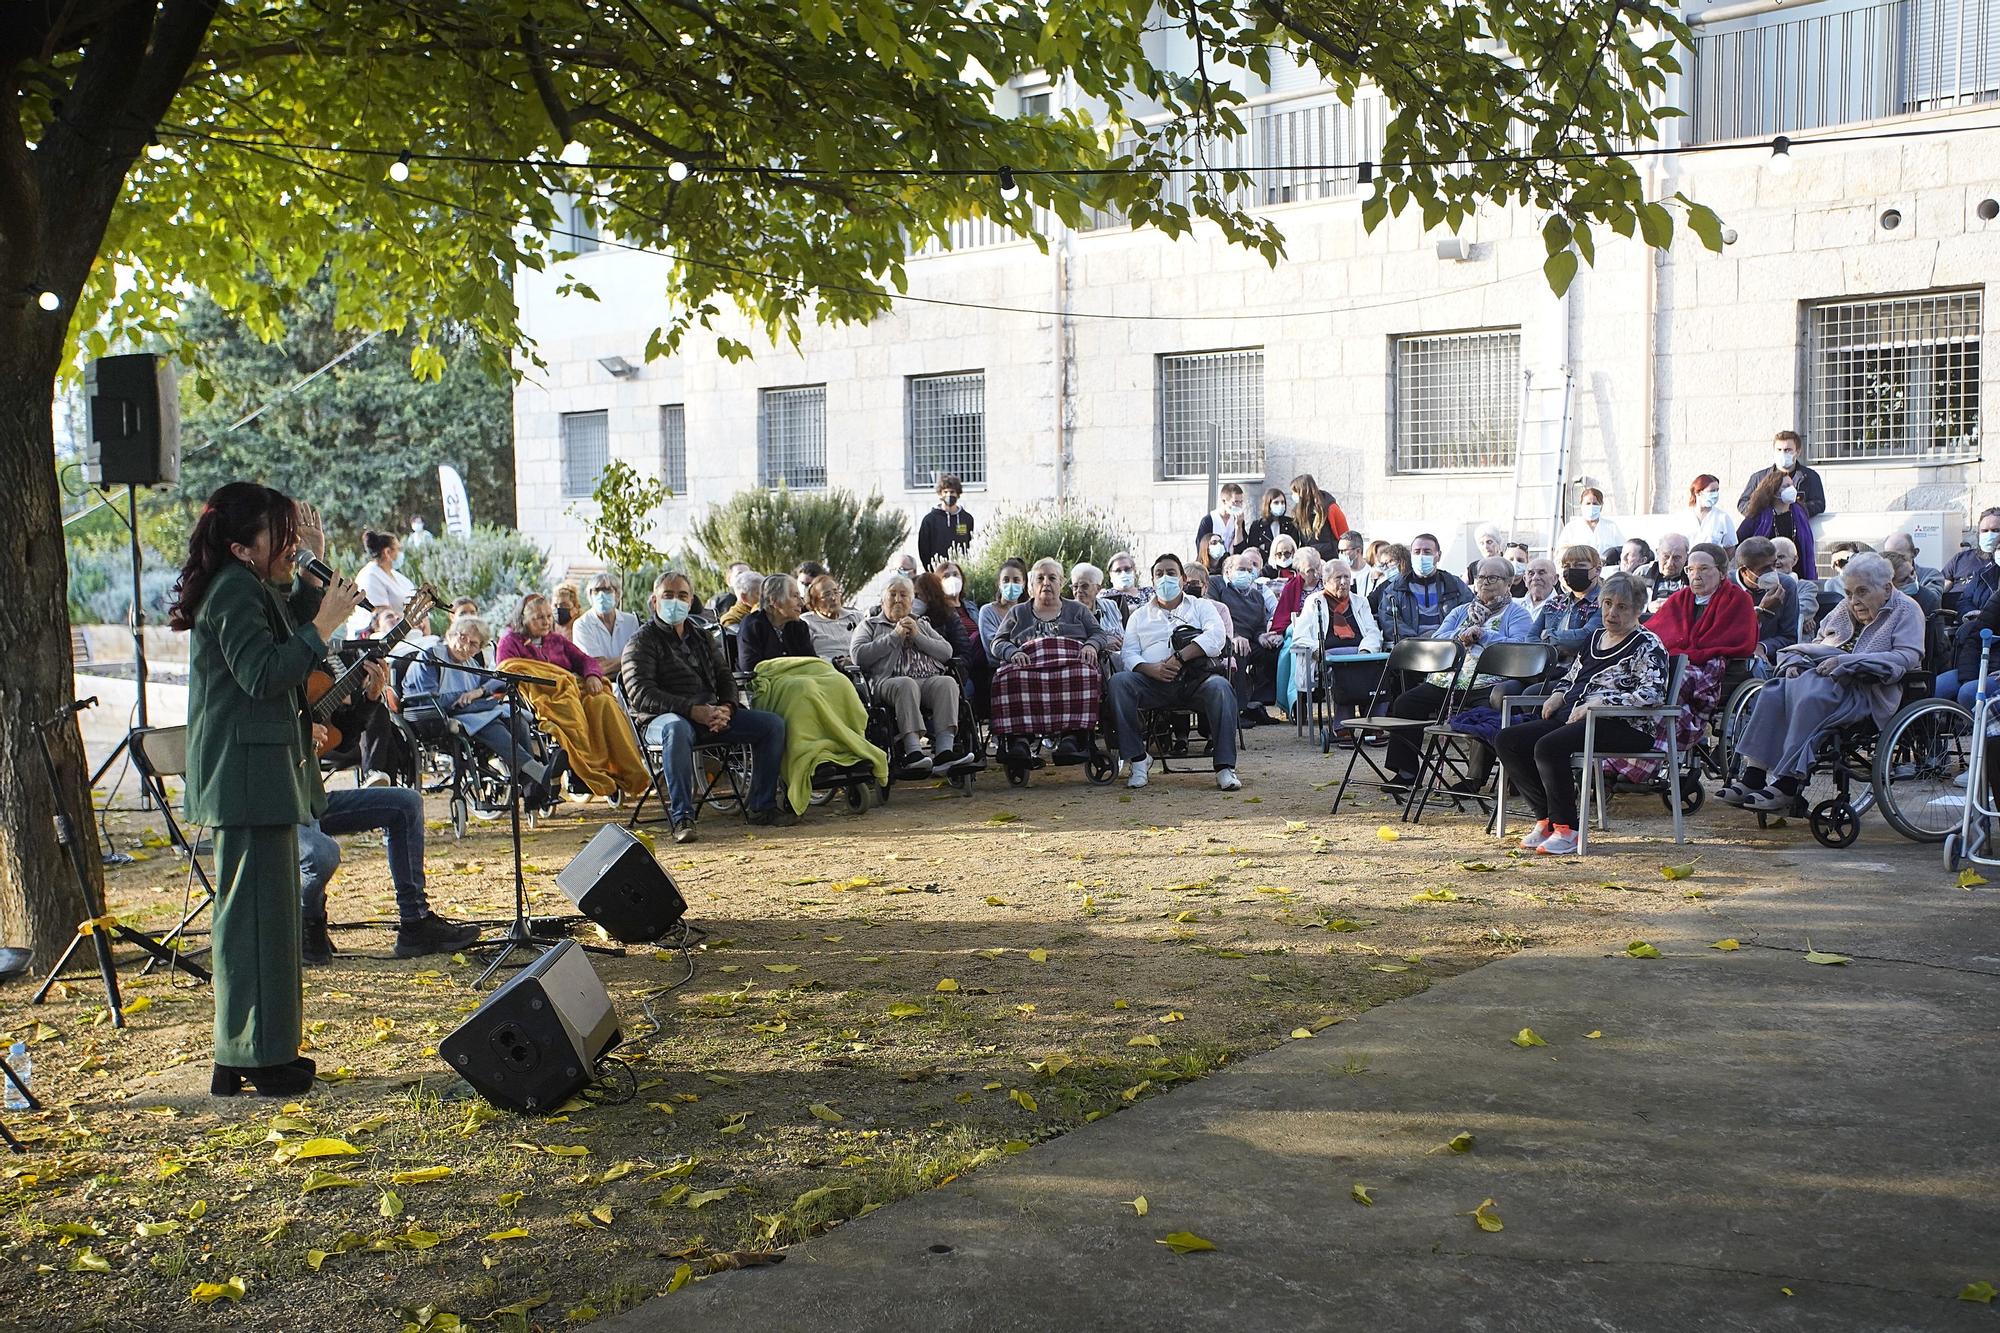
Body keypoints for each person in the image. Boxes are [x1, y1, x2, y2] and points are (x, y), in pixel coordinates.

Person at [172, 483, 360, 1097]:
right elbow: (262, 674)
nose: (290, 543)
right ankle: (247, 1054)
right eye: (278, 533)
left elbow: (289, 620)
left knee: (269, 921)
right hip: (244, 777)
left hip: (262, 774)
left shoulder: (250, 586)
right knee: (252, 922)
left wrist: (315, 575)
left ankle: (260, 1051)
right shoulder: (230, 592)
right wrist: (323, 627)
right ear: (240, 546)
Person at [297, 655, 481, 964]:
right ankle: (306, 925)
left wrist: (370, 697)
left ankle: (415, 924)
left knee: (405, 804)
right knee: (320, 851)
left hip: (312, 798)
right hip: (277, 806)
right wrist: (296, 731)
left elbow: (341, 740)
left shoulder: (316, 663)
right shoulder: (274, 667)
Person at [1721, 553, 1923, 813]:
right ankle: (1754, 775)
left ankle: (1788, 784)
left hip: (1864, 689)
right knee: (1772, 692)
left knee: (1812, 697)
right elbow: (1817, 644)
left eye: (1862, 592)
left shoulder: (1906, 610)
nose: (1854, 601)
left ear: (1886, 588)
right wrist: (1794, 660)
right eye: (1849, 593)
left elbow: (1906, 656)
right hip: (1819, 678)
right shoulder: (1844, 608)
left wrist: (1848, 662)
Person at [1498, 573, 1670, 855]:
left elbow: (1652, 694)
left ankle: (1568, 829)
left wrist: (1599, 703)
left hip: (1624, 724)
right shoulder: (1594, 638)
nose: (1611, 613)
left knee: (1549, 746)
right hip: (1575, 717)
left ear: (1638, 610)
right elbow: (1572, 677)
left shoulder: (1648, 645)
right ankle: (1547, 819)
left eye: (1622, 607)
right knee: (1509, 739)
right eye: (1607, 604)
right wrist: (1557, 694)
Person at [622, 570, 792, 840]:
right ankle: (683, 818)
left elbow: (725, 676)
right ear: (654, 601)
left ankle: (762, 806)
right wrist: (692, 710)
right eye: (668, 595)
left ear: (691, 602)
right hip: (663, 720)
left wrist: (727, 707)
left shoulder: (701, 636)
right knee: (676, 729)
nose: (675, 601)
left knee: (772, 725)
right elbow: (641, 694)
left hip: (709, 715)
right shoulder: (641, 641)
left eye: (682, 595)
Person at [1381, 558, 1538, 788]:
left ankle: (1474, 778)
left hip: (1488, 682)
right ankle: (1407, 773)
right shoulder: (1461, 611)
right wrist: (1461, 636)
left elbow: (1520, 648)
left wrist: (1484, 635)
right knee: (1406, 702)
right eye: (1481, 577)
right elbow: (1437, 640)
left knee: (1484, 715)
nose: (1485, 583)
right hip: (1448, 680)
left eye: (1492, 578)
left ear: (1508, 583)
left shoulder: (1517, 614)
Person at [497, 593, 651, 799]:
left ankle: (618, 770)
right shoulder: (510, 642)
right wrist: (556, 683)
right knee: (569, 709)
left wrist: (592, 676)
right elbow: (507, 671)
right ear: (523, 619)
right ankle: (589, 771)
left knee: (604, 702)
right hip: (542, 697)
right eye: (539, 618)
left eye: (548, 616)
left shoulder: (556, 640)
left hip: (575, 689)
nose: (546, 622)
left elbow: (585, 660)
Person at [1111, 553, 1240, 792]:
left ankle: (1224, 768)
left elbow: (1216, 638)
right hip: (1153, 682)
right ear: (1151, 581)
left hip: (1195, 681)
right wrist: (1152, 669)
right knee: (1119, 683)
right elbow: (1128, 654)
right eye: (1159, 574)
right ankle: (1139, 760)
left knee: (1221, 688)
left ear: (1182, 579)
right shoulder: (1139, 615)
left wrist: (1180, 657)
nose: (1165, 579)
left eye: (1171, 573)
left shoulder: (1202, 607)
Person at [405, 614, 559, 804]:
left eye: (474, 644)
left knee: (516, 719)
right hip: (434, 715)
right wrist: (464, 697)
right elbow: (430, 699)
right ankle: (537, 773)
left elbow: (496, 678)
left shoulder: (471, 663)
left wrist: (479, 691)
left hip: (471, 710)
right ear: (450, 634)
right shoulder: (430, 657)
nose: (466, 646)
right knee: (490, 723)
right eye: (463, 638)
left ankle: (532, 784)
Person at [987, 558, 1111, 763]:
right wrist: (1012, 652)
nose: (1046, 582)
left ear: (1061, 583)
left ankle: (1071, 737)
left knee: (1083, 673)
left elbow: (1099, 634)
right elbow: (997, 642)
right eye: (1040, 578)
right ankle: (1020, 740)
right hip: (1029, 664)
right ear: (1031, 584)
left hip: (1069, 663)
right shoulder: (1017, 612)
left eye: (1052, 577)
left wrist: (1090, 645)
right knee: (1008, 677)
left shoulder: (1078, 610)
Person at [851, 574, 976, 773]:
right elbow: (859, 656)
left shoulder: (922, 623)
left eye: (904, 595)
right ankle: (913, 751)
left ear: (912, 602)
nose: (898, 599)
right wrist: (894, 637)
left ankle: (945, 751)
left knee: (947, 682)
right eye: (893, 594)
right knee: (906, 684)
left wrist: (917, 636)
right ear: (883, 599)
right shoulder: (870, 625)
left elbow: (946, 652)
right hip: (889, 682)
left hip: (927, 680)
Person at [1291, 557, 1383, 732]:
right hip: (1331, 658)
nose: (1343, 582)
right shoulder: (1315, 602)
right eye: (1338, 578)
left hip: (1361, 655)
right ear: (1325, 581)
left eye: (1347, 577)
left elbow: (1373, 632)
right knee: (1344, 672)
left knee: (1379, 672)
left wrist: (1365, 651)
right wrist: (1318, 651)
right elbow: (1299, 637)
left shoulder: (1360, 601)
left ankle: (1374, 725)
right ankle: (1343, 727)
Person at [1372, 533, 1472, 643]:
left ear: (1438, 556)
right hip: (1411, 650)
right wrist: (1416, 642)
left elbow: (1468, 614)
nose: (1421, 556)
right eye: (1417, 552)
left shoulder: (1454, 585)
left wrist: (1445, 638)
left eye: (1427, 552)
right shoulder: (1396, 588)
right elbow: (1388, 620)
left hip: (1449, 647)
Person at [1212, 553, 1273, 720]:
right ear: (1228, 571)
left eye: (1249, 570)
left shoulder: (1257, 597)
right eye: (1241, 569)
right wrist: (1235, 636)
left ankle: (1259, 703)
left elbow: (1259, 626)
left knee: (1273, 651)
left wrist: (1262, 637)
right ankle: (1239, 710)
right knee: (1238, 652)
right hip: (1226, 640)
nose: (1246, 573)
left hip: (1251, 641)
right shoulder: (1218, 587)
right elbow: (1214, 615)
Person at [1268, 547, 1327, 720]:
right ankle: (1296, 700)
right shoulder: (1291, 587)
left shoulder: (1327, 583)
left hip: (1323, 629)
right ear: (1300, 571)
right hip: (1298, 631)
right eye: (1310, 570)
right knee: (1293, 646)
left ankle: (1297, 698)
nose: (1316, 573)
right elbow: (1283, 615)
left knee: (1295, 645)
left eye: (1318, 567)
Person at [1739, 461, 1816, 580]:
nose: (1791, 489)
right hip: (1765, 576)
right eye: (1786, 486)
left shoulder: (1800, 513)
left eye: (1792, 485)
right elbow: (1740, 541)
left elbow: (1807, 549)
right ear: (1774, 491)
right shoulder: (1758, 516)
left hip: (1797, 574)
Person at [1737, 429, 1826, 526]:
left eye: (1788, 450)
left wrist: (1795, 510)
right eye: (1779, 450)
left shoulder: (1810, 477)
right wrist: (1764, 513)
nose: (1783, 454)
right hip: (1766, 532)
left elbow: (1819, 504)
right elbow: (1742, 504)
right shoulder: (1759, 477)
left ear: (1798, 452)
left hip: (1796, 530)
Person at [1733, 536, 1801, 660]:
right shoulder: (1727, 586)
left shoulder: (1786, 585)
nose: (1772, 572)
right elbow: (1726, 635)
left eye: (1774, 565)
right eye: (1764, 569)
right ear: (1744, 571)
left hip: (1768, 659)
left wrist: (1763, 646)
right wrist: (1762, 610)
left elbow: (1790, 637)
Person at [1533, 545, 1605, 659]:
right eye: (1566, 566)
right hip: (1544, 666)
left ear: (1597, 570)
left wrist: (1547, 636)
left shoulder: (1605, 603)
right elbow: (1531, 636)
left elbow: (1585, 636)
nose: (1571, 570)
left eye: (1579, 565)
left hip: (1578, 670)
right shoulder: (1555, 603)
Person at [737, 573, 819, 673]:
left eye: (799, 596)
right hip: (768, 683)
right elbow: (750, 668)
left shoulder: (799, 626)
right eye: (794, 596)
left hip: (802, 678)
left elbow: (812, 662)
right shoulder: (752, 626)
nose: (801, 603)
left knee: (839, 681)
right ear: (774, 601)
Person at [573, 573, 640, 673]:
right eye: (596, 590)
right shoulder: (582, 625)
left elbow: (640, 658)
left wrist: (613, 664)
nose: (601, 595)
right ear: (590, 595)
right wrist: (629, 658)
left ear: (617, 594)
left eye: (607, 589)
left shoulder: (631, 621)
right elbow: (597, 667)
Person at [355, 529, 416, 626]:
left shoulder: (397, 576)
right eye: (398, 549)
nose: (400, 553)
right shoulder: (370, 576)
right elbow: (382, 616)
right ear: (387, 552)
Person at [1943, 508, 2000, 611]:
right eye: (1985, 531)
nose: (1989, 535)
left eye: (1996, 531)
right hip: (1954, 617)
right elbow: (1942, 585)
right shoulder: (1960, 559)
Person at [801, 574, 864, 665]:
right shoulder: (806, 622)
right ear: (814, 602)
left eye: (836, 592)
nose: (834, 598)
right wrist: (836, 662)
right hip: (827, 671)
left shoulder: (856, 617)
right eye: (826, 595)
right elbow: (807, 656)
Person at [917, 474, 976, 571]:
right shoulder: (929, 520)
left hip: (960, 570)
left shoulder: (966, 519)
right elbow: (923, 548)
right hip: (937, 571)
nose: (949, 495)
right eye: (945, 492)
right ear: (940, 494)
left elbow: (968, 543)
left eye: (952, 492)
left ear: (958, 494)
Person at [1771, 536, 1820, 641]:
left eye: (1781, 557)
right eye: (1772, 559)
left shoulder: (1807, 587)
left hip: (1796, 647)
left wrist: (1803, 618)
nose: (1776, 562)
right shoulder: (1759, 586)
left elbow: (1804, 610)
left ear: (1794, 560)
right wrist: (1802, 619)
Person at [1290, 473, 1350, 557]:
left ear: (1302, 492)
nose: (1293, 496)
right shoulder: (1298, 512)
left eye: (1295, 492)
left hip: (1330, 559)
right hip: (1309, 560)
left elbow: (1345, 535)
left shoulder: (1331, 508)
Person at [1069, 562, 1125, 650]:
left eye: (1084, 586)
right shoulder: (1068, 612)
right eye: (1075, 586)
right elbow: (1071, 644)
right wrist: (1101, 644)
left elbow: (1121, 634)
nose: (1079, 591)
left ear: (1098, 589)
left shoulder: (1111, 605)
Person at [1195, 483, 1249, 569]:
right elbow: (1201, 546)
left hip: (1231, 567)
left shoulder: (1237, 519)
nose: (1238, 506)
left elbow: (1241, 548)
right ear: (1224, 501)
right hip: (1211, 566)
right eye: (1235, 502)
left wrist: (1238, 527)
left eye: (1241, 502)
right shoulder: (1209, 520)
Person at [1555, 486, 1623, 554]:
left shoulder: (1611, 526)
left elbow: (1622, 549)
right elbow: (1559, 551)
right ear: (1581, 505)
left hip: (1606, 564)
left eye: (1595, 504)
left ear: (1601, 505)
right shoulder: (1571, 528)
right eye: (1588, 503)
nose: (1591, 506)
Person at [979, 558, 1029, 648]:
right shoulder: (988, 612)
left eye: (1016, 580)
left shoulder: (1029, 612)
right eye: (1006, 580)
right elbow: (993, 645)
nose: (1010, 584)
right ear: (999, 584)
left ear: (1023, 584)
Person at [1639, 533, 1692, 612]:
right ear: (1657, 552)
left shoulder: (1692, 576)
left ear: (1686, 557)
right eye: (1666, 556)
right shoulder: (1642, 573)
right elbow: (1629, 604)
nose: (1670, 563)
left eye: (1676, 558)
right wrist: (1647, 607)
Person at [1684, 473, 1738, 551]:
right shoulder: (1683, 517)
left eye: (1717, 490)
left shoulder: (1723, 518)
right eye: (1712, 491)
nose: (1715, 494)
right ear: (1698, 492)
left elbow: (1730, 547)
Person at [1881, 531, 1944, 597]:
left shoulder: (1930, 575)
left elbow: (1934, 601)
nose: (1894, 560)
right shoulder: (1881, 577)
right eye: (1888, 556)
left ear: (1914, 553)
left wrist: (1909, 582)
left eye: (1900, 556)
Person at [1245, 487, 1302, 556]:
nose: (1280, 505)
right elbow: (1253, 549)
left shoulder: (1290, 523)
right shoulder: (1257, 525)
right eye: (1276, 502)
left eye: (1282, 502)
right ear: (1268, 504)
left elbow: (1294, 546)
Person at [1103, 550, 1148, 622]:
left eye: (1127, 569)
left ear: (1134, 571)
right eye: (1118, 571)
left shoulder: (1148, 592)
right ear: (1111, 575)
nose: (1123, 573)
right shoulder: (1107, 596)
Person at [1516, 556, 1559, 621]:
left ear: (1555, 579)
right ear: (1525, 580)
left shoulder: (1564, 608)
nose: (1535, 577)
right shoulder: (1514, 605)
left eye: (1541, 573)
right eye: (1531, 573)